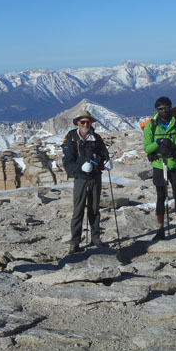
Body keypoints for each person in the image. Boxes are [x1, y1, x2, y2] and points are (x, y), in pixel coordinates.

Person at [62, 109, 112, 254]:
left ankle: (95, 238)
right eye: (83, 122)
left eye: (88, 122)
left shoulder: (96, 138)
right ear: (78, 123)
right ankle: (75, 241)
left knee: (94, 208)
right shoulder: (71, 138)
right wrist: (80, 168)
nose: (85, 124)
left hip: (95, 176)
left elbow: (104, 154)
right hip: (80, 178)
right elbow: (67, 160)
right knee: (78, 210)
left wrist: (106, 161)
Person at [143, 96, 176, 240]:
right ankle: (160, 228)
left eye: (166, 108)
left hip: (175, 164)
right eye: (160, 109)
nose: (163, 111)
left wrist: (174, 150)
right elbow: (147, 147)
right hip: (159, 165)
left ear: (170, 108)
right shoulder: (151, 125)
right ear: (157, 110)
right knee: (161, 197)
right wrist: (159, 143)